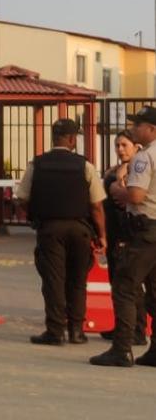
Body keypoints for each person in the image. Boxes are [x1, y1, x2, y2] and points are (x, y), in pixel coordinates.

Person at [14, 118, 107, 346]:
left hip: (50, 229)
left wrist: (38, 212)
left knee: (54, 280)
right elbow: (96, 205)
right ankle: (76, 331)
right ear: (73, 139)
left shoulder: (37, 164)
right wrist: (102, 235)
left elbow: (22, 198)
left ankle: (55, 331)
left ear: (54, 137)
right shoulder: (84, 166)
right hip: (80, 230)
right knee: (77, 280)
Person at [91, 106, 156, 367]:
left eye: (138, 124)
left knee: (124, 286)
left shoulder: (144, 158)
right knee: (154, 291)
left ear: (151, 129)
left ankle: (122, 348)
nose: (133, 128)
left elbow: (136, 196)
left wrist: (119, 189)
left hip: (144, 229)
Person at [101, 130, 148, 345]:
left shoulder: (135, 172)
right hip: (114, 233)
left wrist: (119, 178)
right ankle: (122, 326)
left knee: (130, 285)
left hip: (128, 233)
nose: (120, 149)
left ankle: (135, 332)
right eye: (117, 145)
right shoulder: (115, 170)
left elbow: (125, 198)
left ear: (136, 147)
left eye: (124, 145)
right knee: (118, 282)